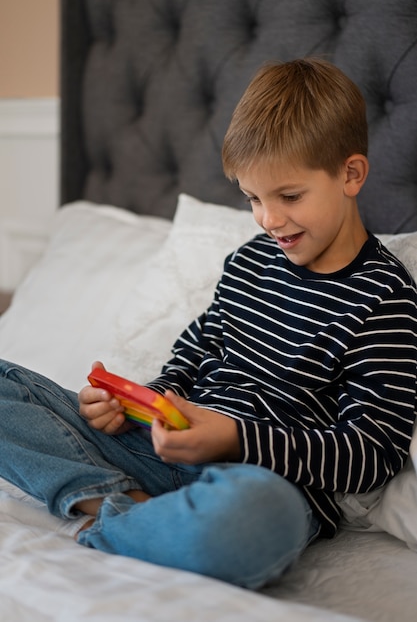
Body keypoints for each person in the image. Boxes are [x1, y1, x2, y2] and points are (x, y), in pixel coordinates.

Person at [0, 58, 416, 590]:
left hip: (256, 478)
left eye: (289, 196)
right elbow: (194, 354)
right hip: (161, 445)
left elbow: (370, 455)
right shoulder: (249, 262)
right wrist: (141, 402)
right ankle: (124, 504)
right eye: (253, 199)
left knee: (257, 519)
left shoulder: (385, 299)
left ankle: (110, 519)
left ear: (351, 174)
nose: (269, 220)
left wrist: (236, 439)